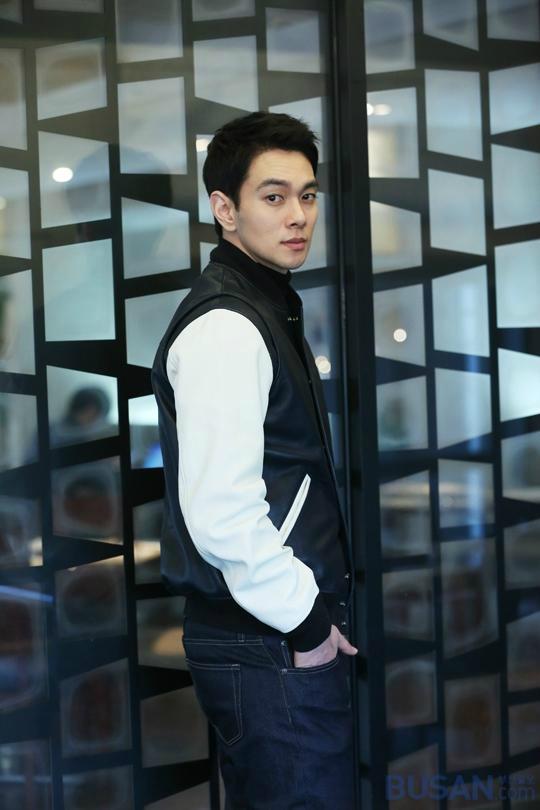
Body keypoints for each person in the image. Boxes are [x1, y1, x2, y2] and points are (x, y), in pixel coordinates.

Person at [151, 111, 357, 809]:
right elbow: (221, 512)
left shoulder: (265, 307)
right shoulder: (227, 327)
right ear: (225, 209)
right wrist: (307, 624)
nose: (298, 215)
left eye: (307, 195)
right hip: (266, 640)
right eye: (274, 196)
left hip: (271, 637)